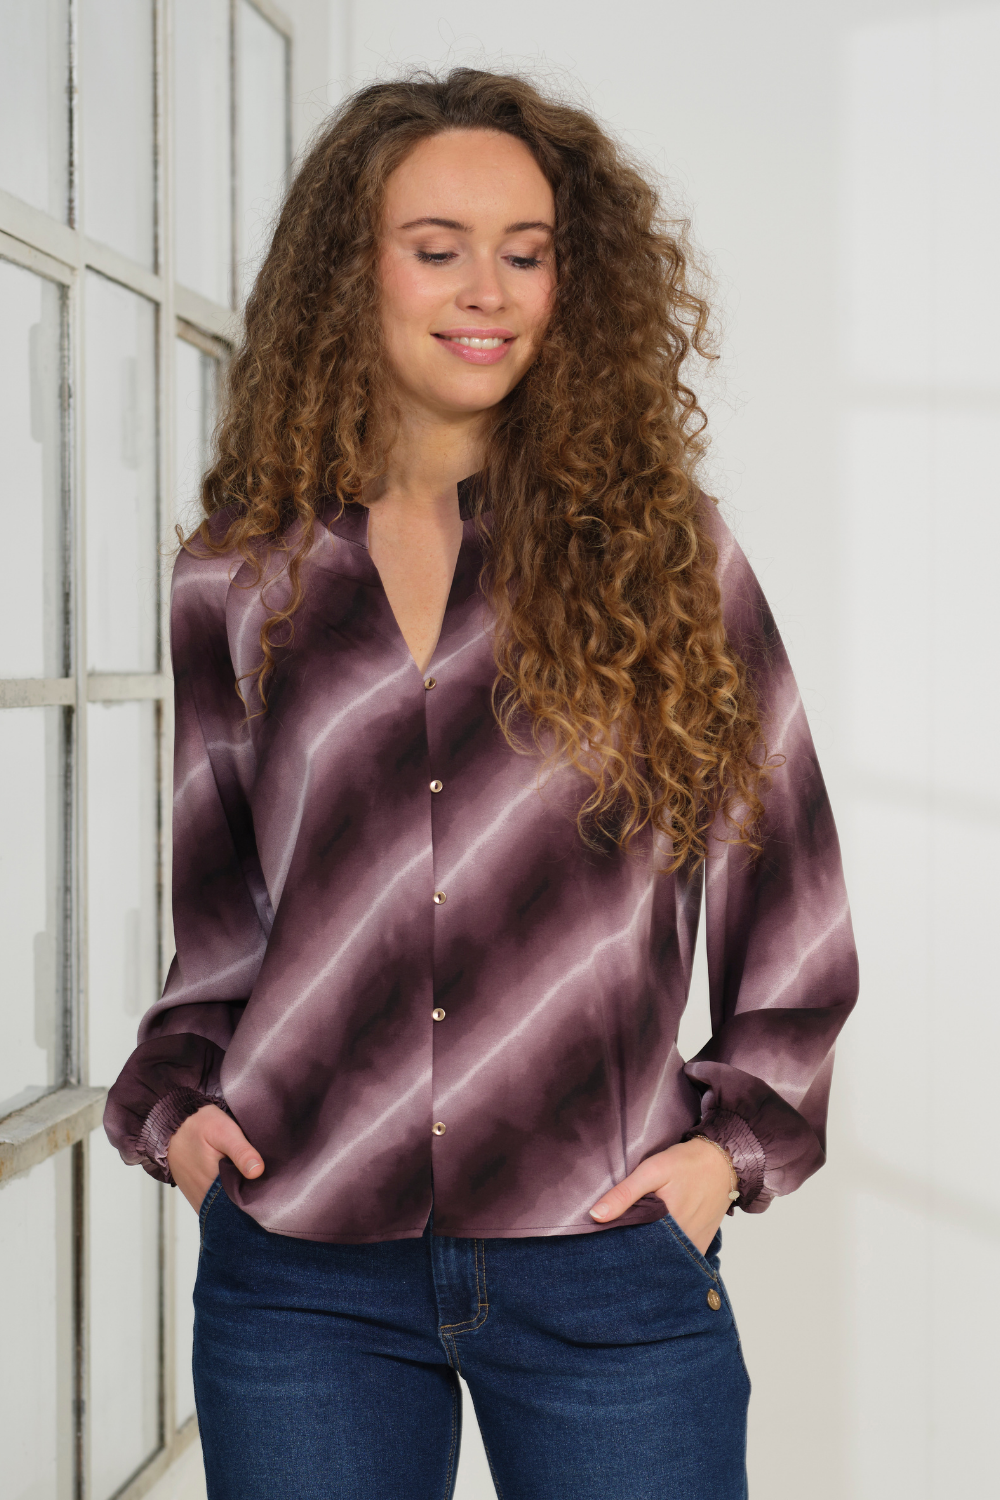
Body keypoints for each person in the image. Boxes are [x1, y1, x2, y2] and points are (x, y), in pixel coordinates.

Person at [104, 68, 858, 1500]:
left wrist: (729, 1153)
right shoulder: (239, 576)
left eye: (527, 252)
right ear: (351, 273)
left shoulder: (669, 560)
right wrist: (179, 1118)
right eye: (437, 248)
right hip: (303, 1267)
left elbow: (793, 895)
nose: (488, 292)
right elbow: (220, 922)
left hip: (605, 1255)